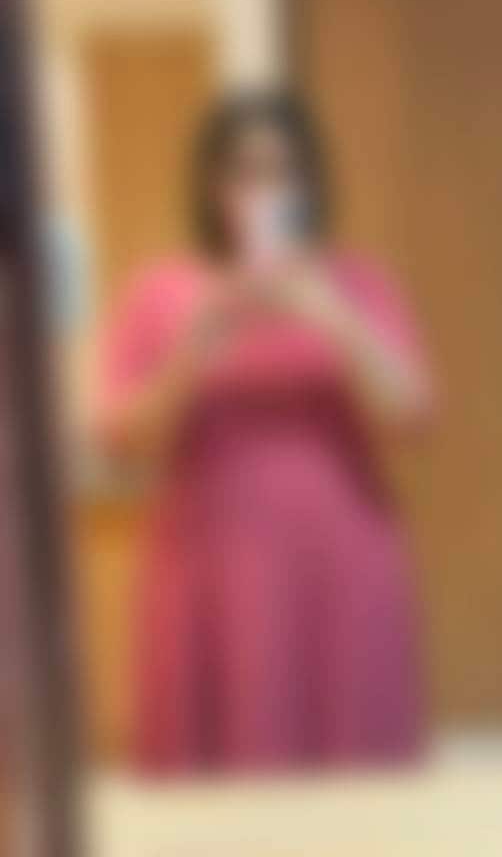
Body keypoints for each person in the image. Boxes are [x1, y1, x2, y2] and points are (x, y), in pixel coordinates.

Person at [93, 90, 433, 773]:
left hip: (341, 561)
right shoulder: (162, 291)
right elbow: (122, 440)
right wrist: (196, 342)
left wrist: (332, 316)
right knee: (211, 777)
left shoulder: (357, 284)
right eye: (244, 171)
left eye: (283, 171)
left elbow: (412, 417)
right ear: (211, 183)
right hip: (206, 565)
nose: (263, 191)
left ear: (310, 184)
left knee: (353, 770)